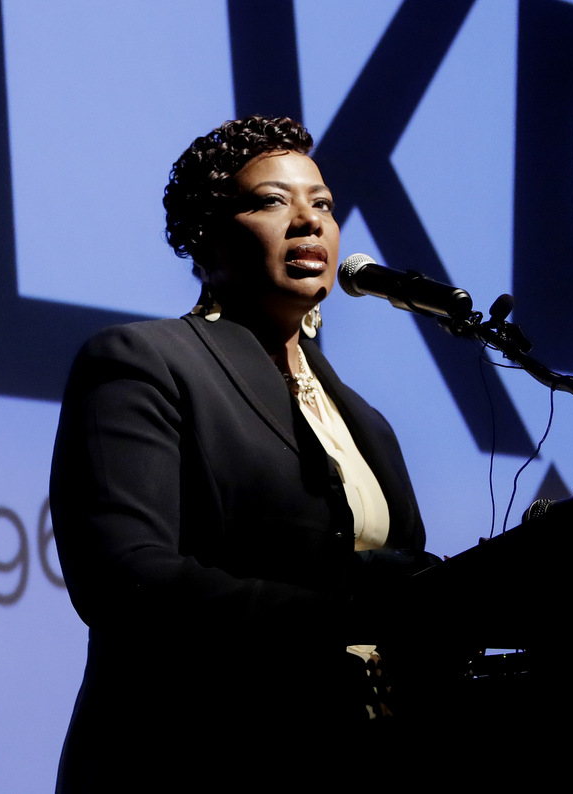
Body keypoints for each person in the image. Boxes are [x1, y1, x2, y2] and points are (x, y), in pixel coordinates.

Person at [50, 116, 429, 792]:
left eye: (323, 205)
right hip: (198, 758)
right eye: (271, 201)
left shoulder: (366, 423)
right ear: (207, 236)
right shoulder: (147, 362)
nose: (309, 222)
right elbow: (124, 578)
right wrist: (341, 607)